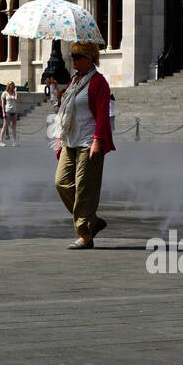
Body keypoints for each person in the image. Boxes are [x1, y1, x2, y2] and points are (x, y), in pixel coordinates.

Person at [53, 41, 116, 249]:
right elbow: (65, 112)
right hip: (70, 140)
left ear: (90, 58)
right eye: (72, 56)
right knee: (61, 182)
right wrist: (61, 140)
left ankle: (85, 234)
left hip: (88, 141)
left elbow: (102, 115)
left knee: (84, 190)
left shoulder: (98, 82)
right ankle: (93, 221)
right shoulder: (74, 81)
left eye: (78, 57)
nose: (73, 60)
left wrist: (98, 140)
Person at [0, 82, 19, 147]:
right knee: (4, 126)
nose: (12, 87)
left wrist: (15, 92)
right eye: (11, 85)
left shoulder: (14, 93)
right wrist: (3, 112)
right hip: (8, 111)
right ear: (8, 86)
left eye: (13, 85)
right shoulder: (4, 93)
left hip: (14, 111)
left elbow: (16, 99)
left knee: (14, 127)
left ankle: (14, 141)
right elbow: (2, 104)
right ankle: (1, 141)